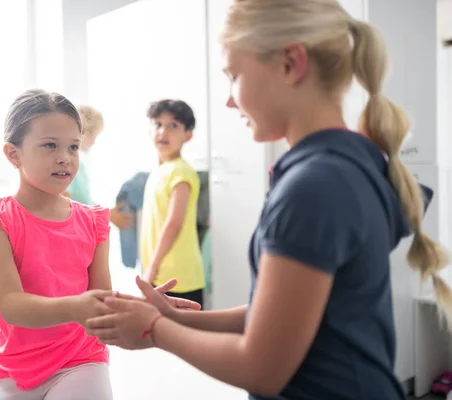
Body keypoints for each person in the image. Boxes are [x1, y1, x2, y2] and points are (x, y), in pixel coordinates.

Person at [84, 1, 451, 399]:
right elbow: (284, 320)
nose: (229, 101)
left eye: (234, 75)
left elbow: (260, 368)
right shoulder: (350, 162)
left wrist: (153, 330)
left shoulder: (314, 187)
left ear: (291, 64)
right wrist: (173, 316)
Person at [0, 89, 199, 400]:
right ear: (13, 154)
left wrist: (136, 306)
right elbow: (12, 306)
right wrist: (80, 306)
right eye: (50, 145)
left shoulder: (93, 222)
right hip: (13, 367)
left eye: (73, 147)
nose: (64, 157)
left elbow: (99, 299)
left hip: (80, 359)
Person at [139, 99, 206, 308]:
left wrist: (151, 268)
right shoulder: (159, 171)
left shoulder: (181, 171)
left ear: (188, 135)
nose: (163, 132)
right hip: (162, 273)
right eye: (158, 124)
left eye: (173, 126)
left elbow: (173, 224)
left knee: (181, 337)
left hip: (178, 277)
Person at [64, 104, 134, 230]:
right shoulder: (66, 164)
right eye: (94, 136)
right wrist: (107, 215)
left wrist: (106, 213)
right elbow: (64, 204)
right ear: (84, 132)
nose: (94, 142)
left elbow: (84, 201)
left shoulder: (81, 166)